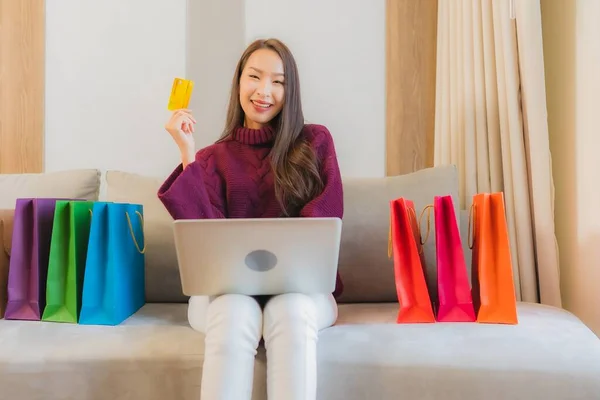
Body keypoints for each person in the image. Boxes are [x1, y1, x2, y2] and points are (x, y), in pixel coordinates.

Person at [157, 38, 344, 400]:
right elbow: (204, 238)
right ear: (238, 82)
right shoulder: (213, 158)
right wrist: (187, 153)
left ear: (291, 91)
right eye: (254, 77)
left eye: (278, 81)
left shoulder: (314, 141)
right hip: (224, 295)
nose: (264, 91)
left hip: (301, 293)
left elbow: (324, 217)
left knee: (290, 310)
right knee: (234, 310)